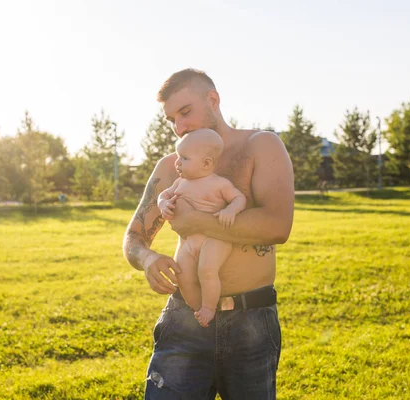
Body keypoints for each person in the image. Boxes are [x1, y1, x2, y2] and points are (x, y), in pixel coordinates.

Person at [123, 68, 294, 399]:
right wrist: (146, 258)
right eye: (172, 119)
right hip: (183, 321)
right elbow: (134, 237)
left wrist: (198, 222)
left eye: (185, 112)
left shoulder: (261, 146)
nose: (179, 126)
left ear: (213, 100)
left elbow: (277, 226)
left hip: (251, 322)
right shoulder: (170, 167)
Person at [157, 128, 246, 327]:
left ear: (206, 163)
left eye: (184, 158)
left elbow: (239, 198)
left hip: (215, 240)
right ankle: (197, 308)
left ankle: (208, 307)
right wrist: (163, 204)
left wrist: (230, 210)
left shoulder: (219, 184)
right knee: (182, 275)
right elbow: (163, 195)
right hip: (189, 243)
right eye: (178, 157)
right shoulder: (180, 183)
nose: (177, 162)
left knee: (207, 270)